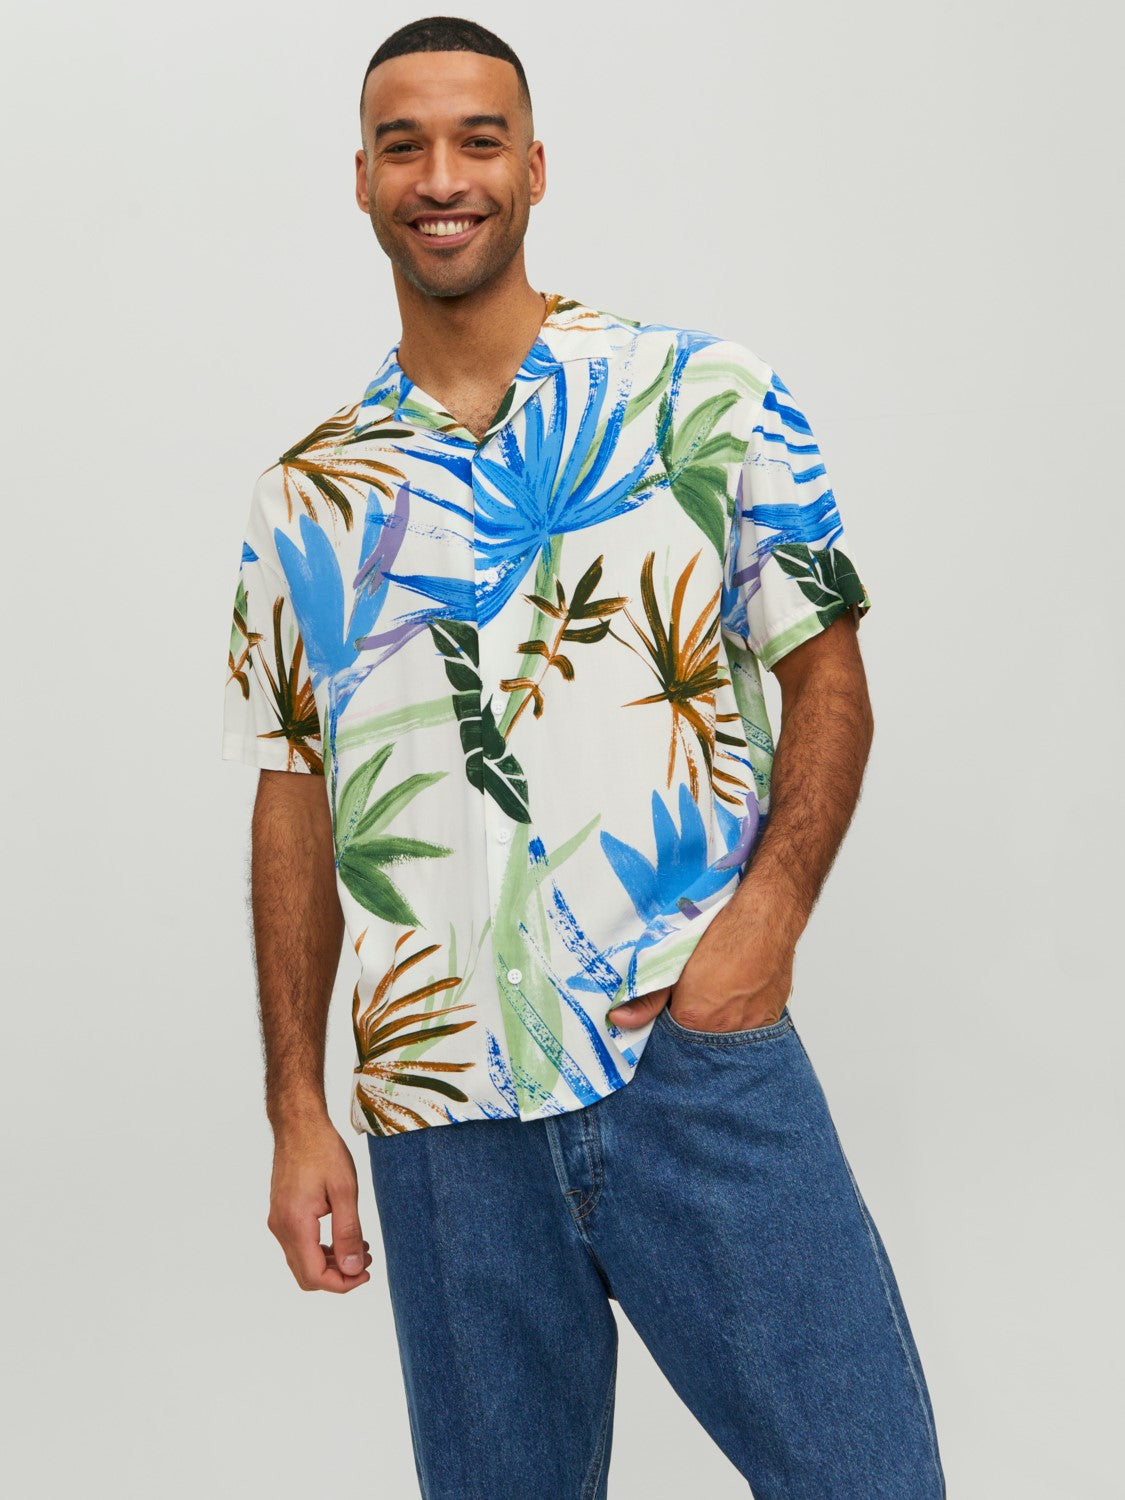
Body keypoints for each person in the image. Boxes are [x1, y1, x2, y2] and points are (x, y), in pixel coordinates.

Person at [221, 15, 947, 1498]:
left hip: (687, 1058)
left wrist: (763, 927)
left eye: (477, 141)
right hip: (442, 1120)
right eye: (404, 146)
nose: (442, 176)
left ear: (535, 168)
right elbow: (292, 797)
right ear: (361, 179)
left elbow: (828, 674)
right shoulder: (309, 497)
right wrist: (298, 1108)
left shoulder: (700, 395)